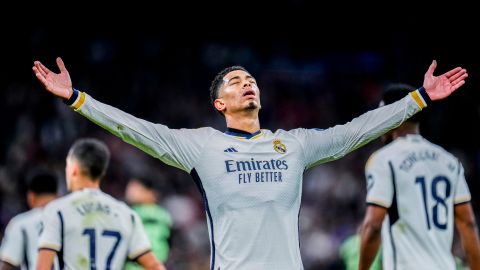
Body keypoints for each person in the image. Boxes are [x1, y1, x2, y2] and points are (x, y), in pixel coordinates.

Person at [32, 57, 467, 270]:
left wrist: (420, 99)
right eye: (236, 82)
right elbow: (133, 129)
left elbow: (357, 130)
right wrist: (76, 99)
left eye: (252, 80)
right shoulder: (201, 147)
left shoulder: (293, 146)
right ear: (220, 102)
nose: (248, 84)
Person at [359, 83, 480, 270]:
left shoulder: (384, 159)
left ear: (393, 116)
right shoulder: (450, 162)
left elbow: (374, 225)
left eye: (381, 115)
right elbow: (468, 224)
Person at [36, 138, 165, 270]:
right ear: (102, 171)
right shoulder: (126, 214)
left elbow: (43, 267)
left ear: (73, 169)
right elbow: (154, 265)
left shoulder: (58, 210)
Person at [0, 171, 59, 270]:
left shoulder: (20, 223)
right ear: (58, 196)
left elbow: (6, 265)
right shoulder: (67, 220)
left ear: (31, 197)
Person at [124, 176, 172, 269]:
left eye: (135, 188)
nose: (129, 192)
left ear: (150, 192)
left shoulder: (132, 213)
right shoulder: (165, 215)